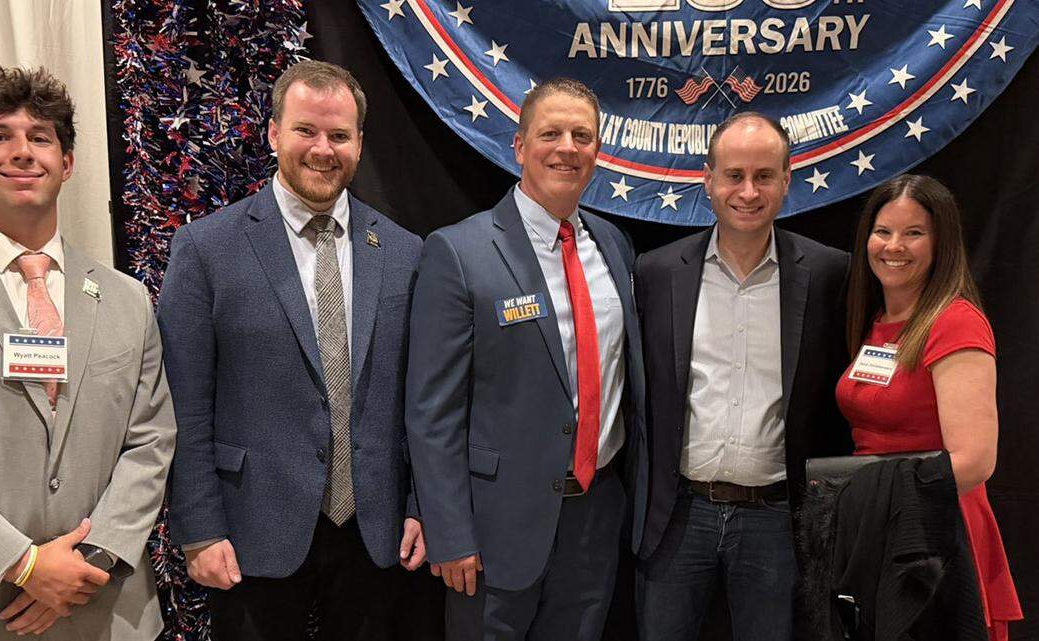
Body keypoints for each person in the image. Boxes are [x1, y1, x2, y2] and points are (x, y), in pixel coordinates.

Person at [0, 64, 176, 640]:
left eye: (40, 137)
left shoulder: (127, 299)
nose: (22, 152)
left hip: (106, 610)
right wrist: (24, 565)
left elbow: (151, 441)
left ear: (67, 163)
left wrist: (85, 566)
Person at [157, 60, 425, 641]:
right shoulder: (207, 248)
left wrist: (420, 506)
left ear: (359, 143)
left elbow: (421, 401)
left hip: (375, 532)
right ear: (274, 133)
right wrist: (199, 528)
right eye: (306, 130)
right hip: (252, 529)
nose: (323, 149)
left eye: (340, 135)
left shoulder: (405, 253)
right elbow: (184, 404)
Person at [405, 78, 647, 641]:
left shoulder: (613, 245)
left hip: (594, 515)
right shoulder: (459, 252)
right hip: (492, 528)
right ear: (518, 147)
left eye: (582, 135)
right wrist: (449, 533)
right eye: (551, 133)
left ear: (597, 151)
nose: (567, 146)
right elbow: (431, 413)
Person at [633, 111, 851, 641]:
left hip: (776, 521)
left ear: (787, 180)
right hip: (677, 516)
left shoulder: (829, 273)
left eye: (764, 176)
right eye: (733, 175)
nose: (748, 192)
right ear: (707, 179)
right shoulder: (656, 273)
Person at [836, 174, 1022, 639]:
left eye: (914, 233)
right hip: (878, 533)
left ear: (942, 244)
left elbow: (976, 461)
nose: (894, 246)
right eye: (883, 231)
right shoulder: (876, 321)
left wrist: (879, 499)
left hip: (936, 536)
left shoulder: (955, 323)